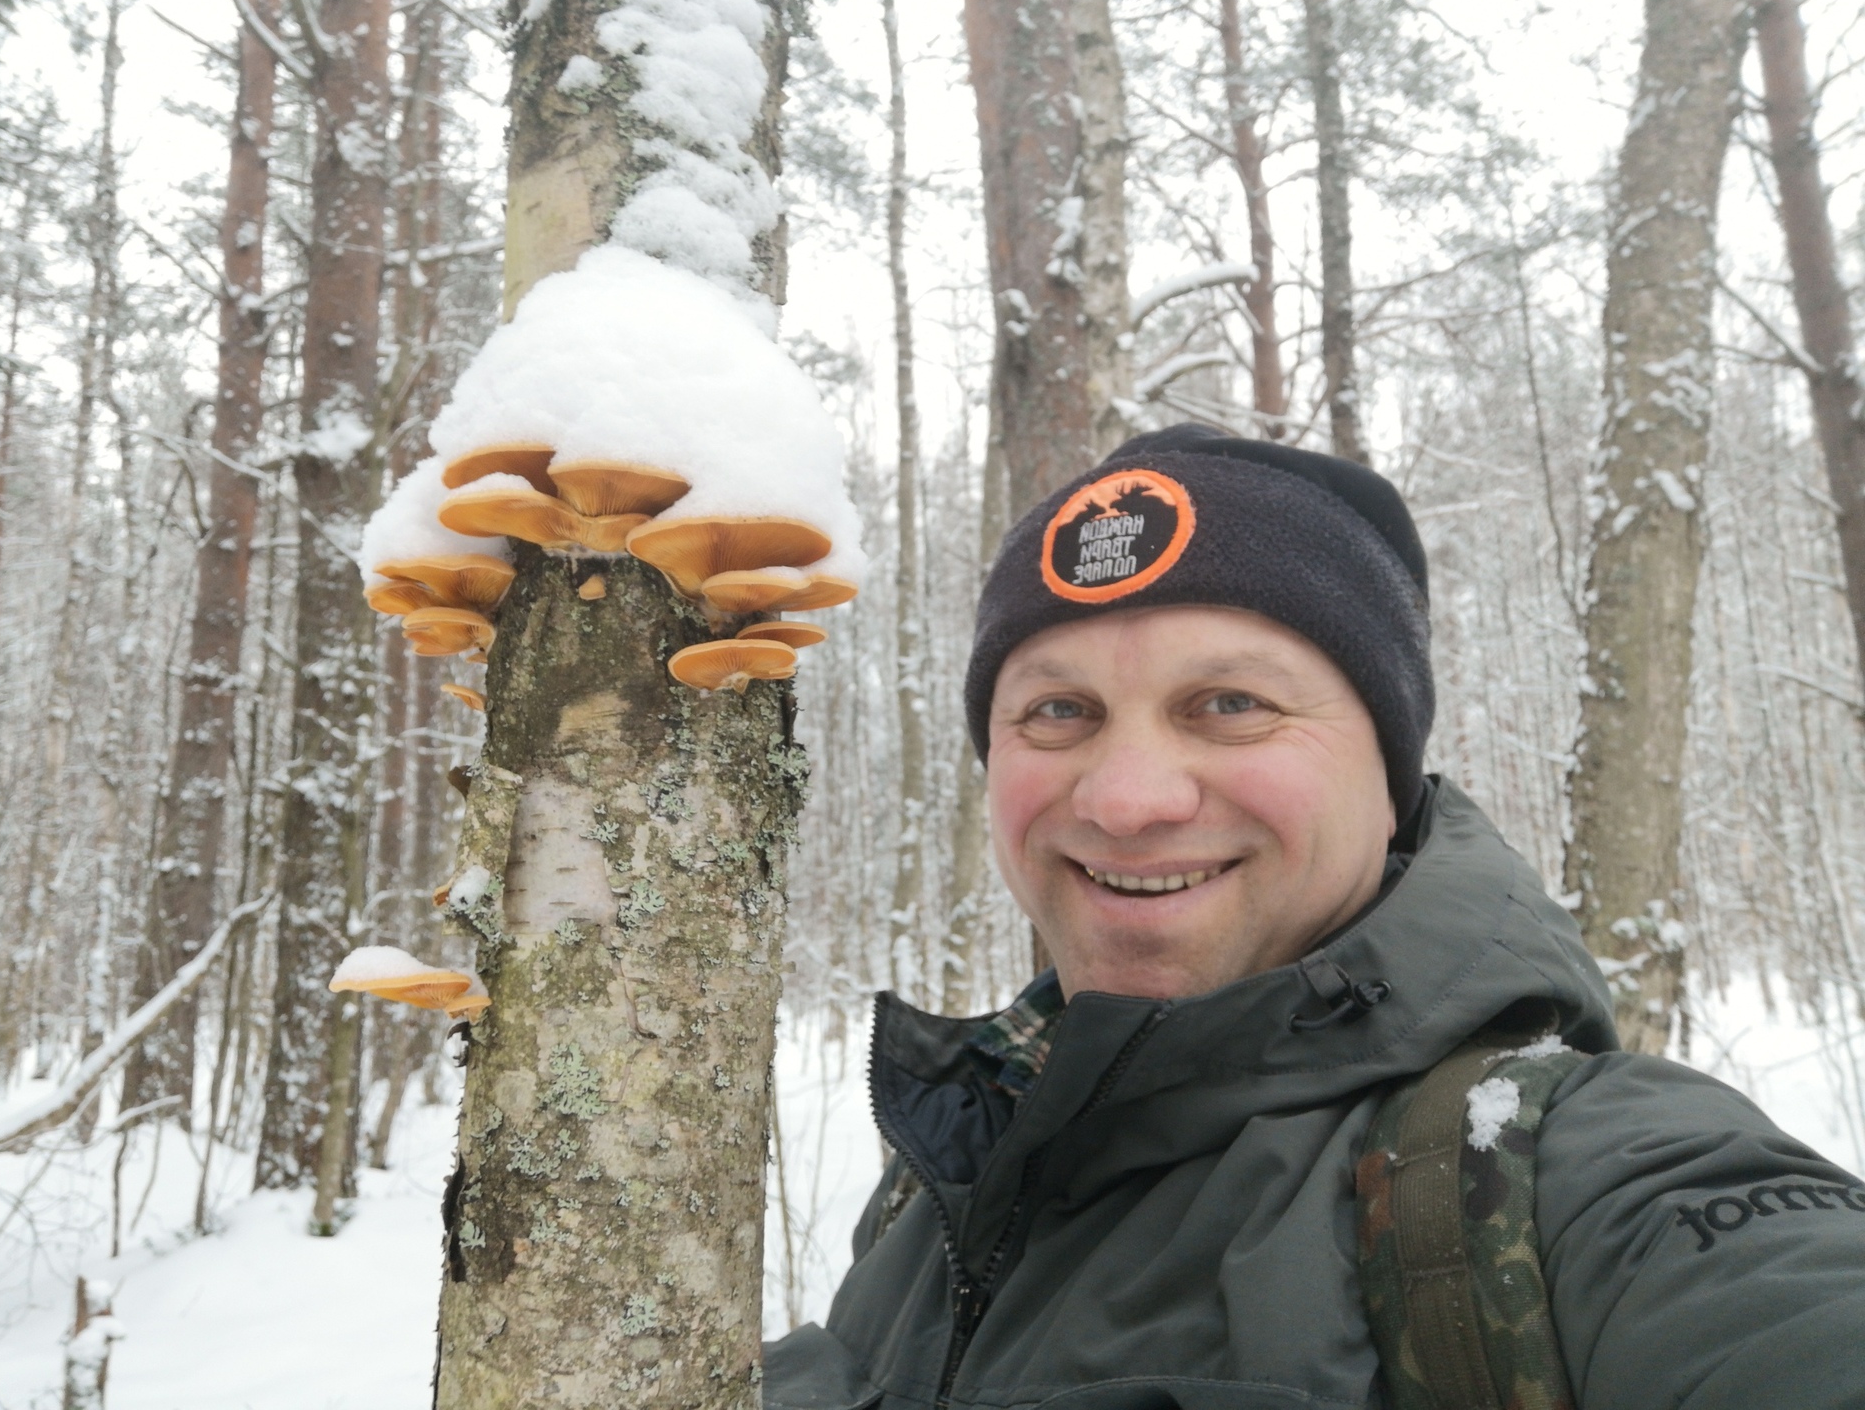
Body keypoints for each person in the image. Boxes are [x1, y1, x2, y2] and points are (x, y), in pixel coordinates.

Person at [761, 422, 1865, 1410]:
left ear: (1388, 780)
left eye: (1229, 704)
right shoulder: (945, 1173)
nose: (1126, 799)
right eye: (1059, 710)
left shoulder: (1567, 1180)